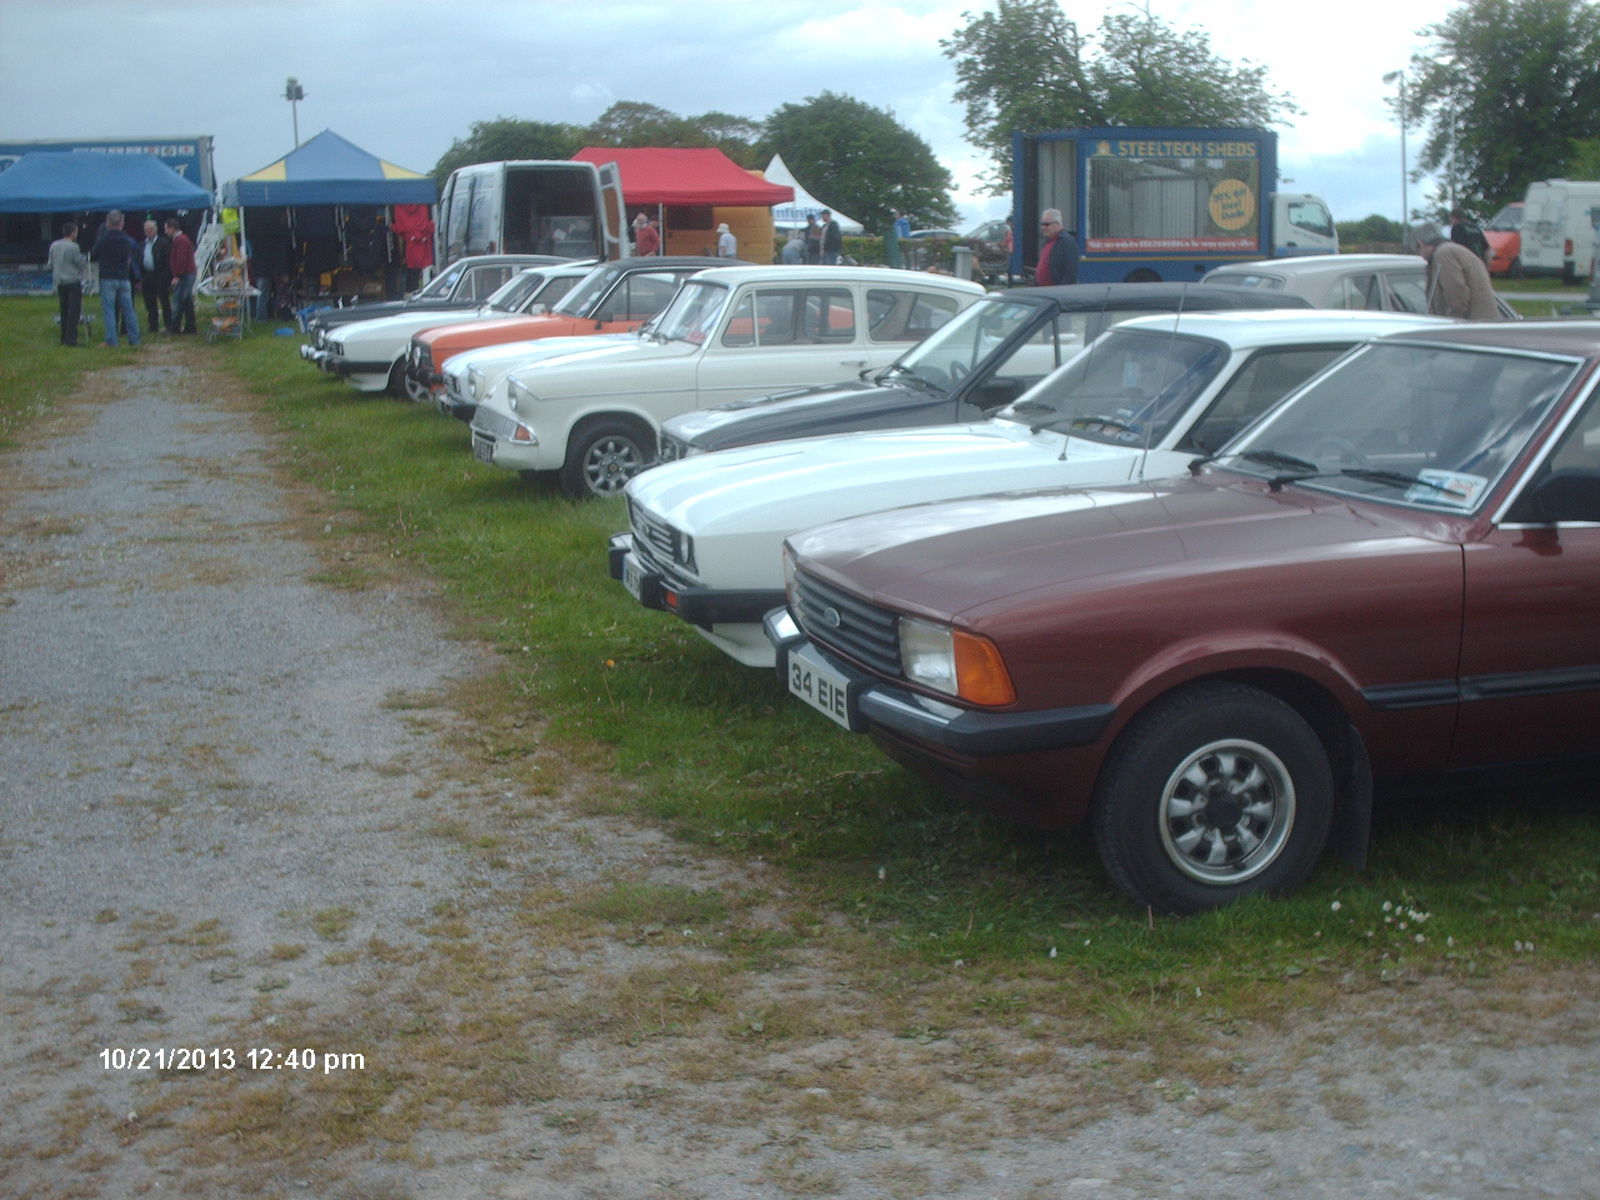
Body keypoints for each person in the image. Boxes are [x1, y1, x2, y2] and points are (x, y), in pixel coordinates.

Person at [1412, 221, 1498, 320]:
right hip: (1480, 327)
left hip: (1469, 329)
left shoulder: (1443, 255)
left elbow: (1457, 297)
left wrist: (1451, 326)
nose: (1421, 256)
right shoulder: (1452, 250)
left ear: (1421, 243)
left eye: (1418, 250)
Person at [90, 210, 140, 347]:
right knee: (128, 309)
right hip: (124, 277)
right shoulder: (126, 239)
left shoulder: (103, 239)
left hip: (108, 276)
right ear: (122, 224)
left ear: (108, 223)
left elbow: (94, 254)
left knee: (109, 310)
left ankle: (111, 340)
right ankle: (134, 339)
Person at [49, 222, 86, 346]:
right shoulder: (73, 247)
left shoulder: (54, 245)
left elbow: (50, 263)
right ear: (73, 233)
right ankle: (71, 339)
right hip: (72, 280)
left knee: (64, 310)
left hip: (59, 281)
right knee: (73, 311)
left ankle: (63, 338)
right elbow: (80, 264)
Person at [139, 219, 172, 335]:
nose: (148, 232)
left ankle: (169, 324)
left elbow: (167, 261)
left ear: (156, 230)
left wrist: (166, 276)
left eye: (150, 230)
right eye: (146, 230)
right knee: (150, 302)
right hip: (147, 276)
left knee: (164, 301)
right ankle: (153, 325)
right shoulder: (143, 244)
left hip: (160, 275)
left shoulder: (163, 243)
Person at [166, 218, 197, 334]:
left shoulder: (181, 241)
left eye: (167, 228)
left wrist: (177, 275)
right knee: (187, 301)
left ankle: (175, 328)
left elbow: (181, 259)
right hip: (188, 274)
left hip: (185, 275)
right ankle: (190, 326)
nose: (165, 231)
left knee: (178, 300)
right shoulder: (182, 239)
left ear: (172, 228)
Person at [1035, 208, 1079, 286]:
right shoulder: (1047, 242)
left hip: (1056, 294)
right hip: (1043, 292)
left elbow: (1070, 272)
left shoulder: (1067, 242)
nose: (1043, 227)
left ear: (1058, 224)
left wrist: (1060, 291)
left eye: (1047, 224)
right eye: (1042, 224)